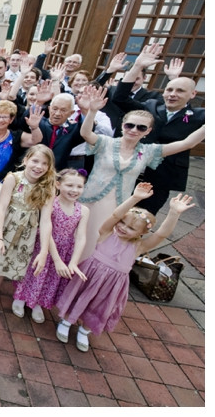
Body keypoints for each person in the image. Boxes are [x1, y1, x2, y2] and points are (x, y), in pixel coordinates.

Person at [56, 183, 194, 352]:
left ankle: (85, 330)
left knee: (100, 305)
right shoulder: (106, 232)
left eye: (131, 228)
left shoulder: (139, 247)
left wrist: (174, 213)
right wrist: (134, 198)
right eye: (123, 223)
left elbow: (161, 234)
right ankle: (66, 321)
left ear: (141, 233)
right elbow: (115, 216)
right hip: (90, 274)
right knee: (80, 296)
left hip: (112, 284)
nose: (122, 228)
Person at [78, 84, 203, 259]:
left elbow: (186, 143)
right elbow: (86, 133)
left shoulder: (149, 151)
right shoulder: (105, 142)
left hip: (119, 206)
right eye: (130, 125)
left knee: (101, 243)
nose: (134, 130)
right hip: (90, 200)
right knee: (79, 238)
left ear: (148, 131)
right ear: (122, 126)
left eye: (141, 128)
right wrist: (91, 111)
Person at [110, 44, 205, 214]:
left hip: (163, 177)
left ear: (192, 94)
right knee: (117, 212)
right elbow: (120, 97)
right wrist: (138, 66)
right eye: (169, 89)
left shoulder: (198, 116)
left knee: (142, 218)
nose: (172, 94)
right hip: (133, 171)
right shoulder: (151, 106)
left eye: (180, 91)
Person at [0, 145, 56, 315]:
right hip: (2, 224)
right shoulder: (13, 179)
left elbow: (46, 220)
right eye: (35, 161)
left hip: (23, 232)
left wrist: (44, 251)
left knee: (6, 261)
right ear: (26, 160)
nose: (38, 166)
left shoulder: (49, 187)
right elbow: (1, 207)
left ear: (49, 167)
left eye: (44, 164)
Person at [11, 169, 90, 323]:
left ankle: (37, 303)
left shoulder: (84, 210)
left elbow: (81, 237)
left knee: (51, 278)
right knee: (34, 273)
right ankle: (21, 297)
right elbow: (47, 229)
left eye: (79, 187)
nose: (74, 190)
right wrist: (56, 258)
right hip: (45, 244)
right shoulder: (50, 202)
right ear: (58, 184)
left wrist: (73, 261)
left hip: (65, 249)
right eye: (69, 185)